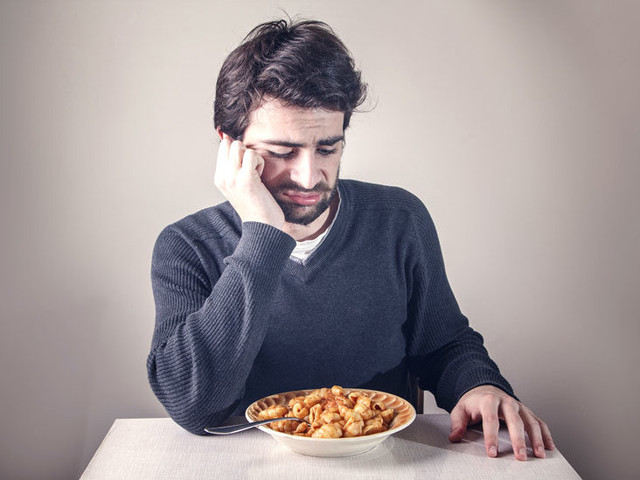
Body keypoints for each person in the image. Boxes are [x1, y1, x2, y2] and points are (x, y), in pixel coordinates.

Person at [147, 18, 554, 461]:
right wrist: (262, 235)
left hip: (385, 461)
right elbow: (192, 405)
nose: (309, 177)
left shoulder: (400, 220)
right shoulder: (186, 246)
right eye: (282, 152)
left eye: (327, 148)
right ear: (230, 146)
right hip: (247, 466)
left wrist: (479, 385)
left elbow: (443, 344)